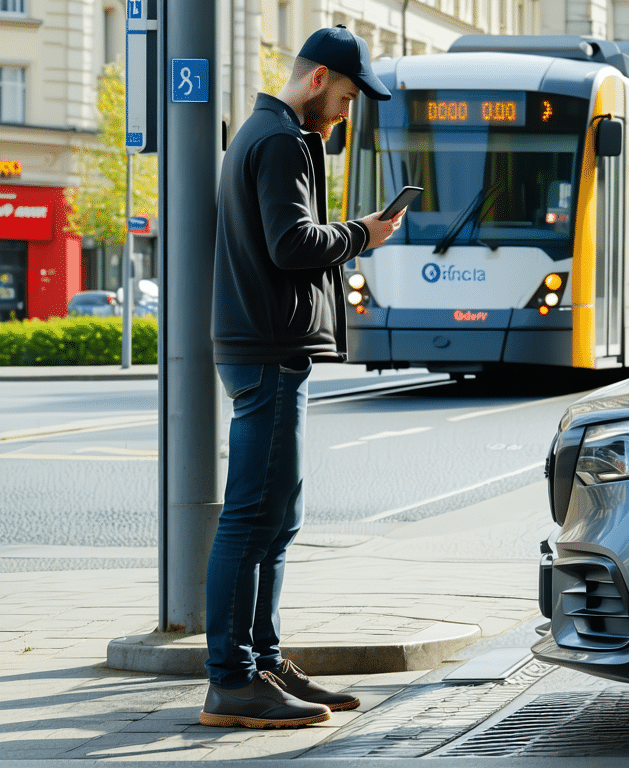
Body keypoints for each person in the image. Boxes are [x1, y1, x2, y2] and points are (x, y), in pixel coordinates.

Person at [201, 25, 402, 729]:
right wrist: (362, 234)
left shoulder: (269, 135)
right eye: (347, 96)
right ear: (318, 79)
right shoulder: (282, 141)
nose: (348, 111)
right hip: (269, 351)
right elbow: (291, 244)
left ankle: (262, 661)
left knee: (276, 520)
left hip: (267, 347)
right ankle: (230, 679)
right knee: (252, 520)